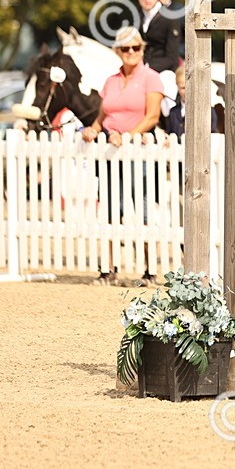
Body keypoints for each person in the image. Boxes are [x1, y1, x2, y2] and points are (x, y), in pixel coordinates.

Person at [82, 26, 165, 286]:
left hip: (139, 151)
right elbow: (103, 115)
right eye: (125, 48)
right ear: (118, 51)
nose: (131, 52)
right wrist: (92, 129)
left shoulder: (151, 78)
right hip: (111, 153)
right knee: (110, 210)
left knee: (143, 209)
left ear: (142, 49)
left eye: (135, 47)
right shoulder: (111, 81)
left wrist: (127, 136)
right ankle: (109, 269)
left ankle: (150, 270)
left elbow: (152, 116)